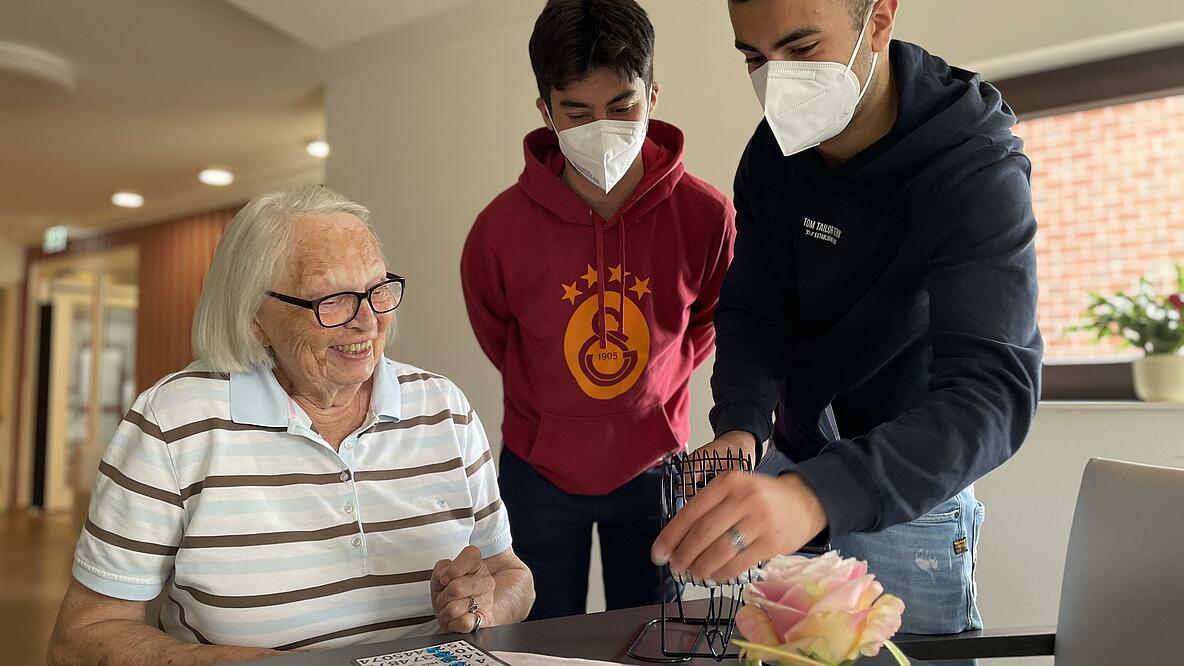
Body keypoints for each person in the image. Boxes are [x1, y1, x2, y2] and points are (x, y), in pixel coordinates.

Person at [652, 0, 1043, 636]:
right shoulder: (771, 160)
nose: (776, 80)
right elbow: (753, 312)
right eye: (754, 58)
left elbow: (991, 396)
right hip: (788, 466)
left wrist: (814, 496)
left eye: (801, 49)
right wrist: (742, 428)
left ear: (880, 16)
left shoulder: (973, 169)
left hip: (909, 489)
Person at [48, 186, 534, 665]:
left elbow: (510, 574)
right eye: (333, 299)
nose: (367, 322)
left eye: (377, 290)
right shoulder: (173, 424)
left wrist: (487, 607)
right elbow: (82, 636)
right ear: (256, 316)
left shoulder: (443, 408)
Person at [461, 0, 735, 619]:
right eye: (577, 113)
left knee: (651, 638)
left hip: (657, 465)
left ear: (653, 95)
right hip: (536, 469)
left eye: (622, 107)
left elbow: (710, 321)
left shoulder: (706, 215)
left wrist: (653, 392)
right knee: (535, 641)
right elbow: (498, 333)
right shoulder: (498, 229)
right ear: (545, 112)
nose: (602, 127)